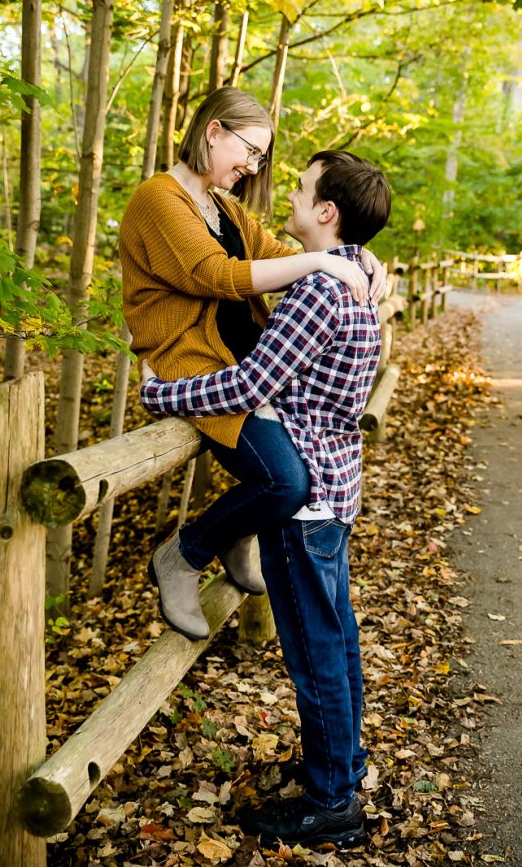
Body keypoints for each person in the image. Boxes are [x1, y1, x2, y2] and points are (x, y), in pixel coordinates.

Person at [140, 149, 391, 849]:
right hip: (336, 487)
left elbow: (248, 387)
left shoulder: (320, 291)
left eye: (302, 188)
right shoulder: (359, 283)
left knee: (316, 656)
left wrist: (163, 392)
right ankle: (339, 769)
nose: (286, 195)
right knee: (336, 646)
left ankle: (330, 804)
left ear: (326, 212)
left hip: (305, 500)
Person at [120, 87, 386, 642]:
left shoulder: (225, 208)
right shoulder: (158, 199)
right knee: (286, 482)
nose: (253, 166)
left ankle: (239, 532)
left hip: (246, 366)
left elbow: (286, 254)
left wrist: (361, 256)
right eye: (250, 150)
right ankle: (184, 556)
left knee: (292, 475)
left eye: (262, 158)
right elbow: (214, 275)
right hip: (192, 365)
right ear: (213, 131)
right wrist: (321, 260)